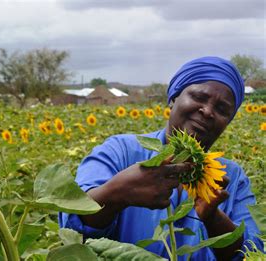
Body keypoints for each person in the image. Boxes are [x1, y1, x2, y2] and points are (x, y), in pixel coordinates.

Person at [59, 56, 263, 260]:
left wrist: (212, 217)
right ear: (174, 97)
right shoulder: (121, 151)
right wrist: (118, 193)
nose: (208, 111)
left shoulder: (232, 178)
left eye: (222, 110)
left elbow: (252, 253)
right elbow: (73, 224)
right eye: (199, 97)